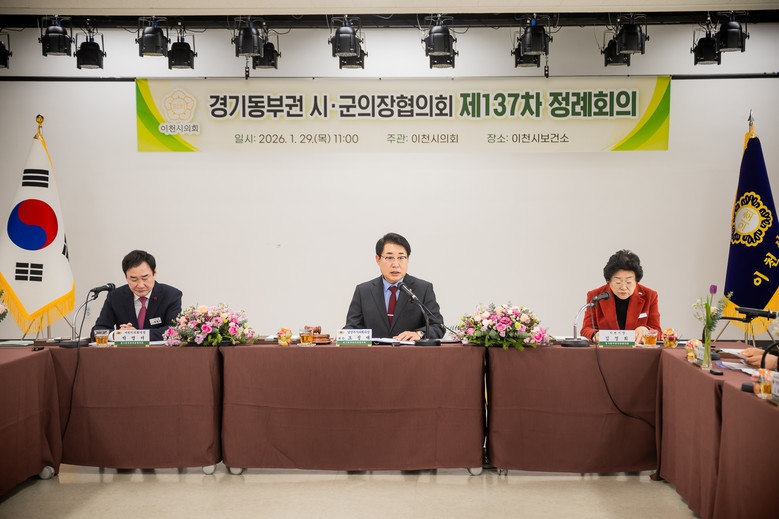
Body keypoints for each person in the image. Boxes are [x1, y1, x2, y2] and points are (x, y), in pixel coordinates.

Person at [344, 232, 444, 341]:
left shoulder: (423, 289)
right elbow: (352, 327)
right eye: (389, 257)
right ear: (378, 259)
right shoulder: (363, 291)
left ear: (407, 259)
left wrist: (419, 333)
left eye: (401, 257)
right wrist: (343, 336)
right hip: (375, 351)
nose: (396, 264)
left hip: (410, 351)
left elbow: (438, 326)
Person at [91, 250, 182, 341]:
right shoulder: (116, 297)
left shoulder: (171, 295)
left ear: (154, 273)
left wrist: (135, 335)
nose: (140, 285)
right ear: (126, 277)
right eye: (134, 279)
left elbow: (174, 330)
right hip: (126, 350)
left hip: (158, 350)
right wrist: (116, 335)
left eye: (145, 278)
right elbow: (97, 331)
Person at [581, 249, 661, 345]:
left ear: (636, 281)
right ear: (609, 281)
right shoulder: (596, 296)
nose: (623, 287)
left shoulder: (649, 295)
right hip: (606, 351)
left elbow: (658, 332)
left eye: (629, 282)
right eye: (618, 282)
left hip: (637, 351)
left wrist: (646, 329)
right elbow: (586, 329)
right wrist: (595, 335)